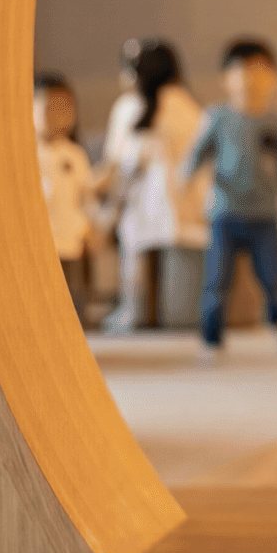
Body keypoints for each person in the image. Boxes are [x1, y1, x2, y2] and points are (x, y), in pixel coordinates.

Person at [186, 37, 277, 357]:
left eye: (260, 72)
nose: (251, 80)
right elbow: (196, 156)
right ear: (226, 79)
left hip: (264, 216)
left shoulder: (274, 122)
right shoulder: (217, 118)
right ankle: (210, 339)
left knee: (273, 276)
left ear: (274, 79)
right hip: (224, 213)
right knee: (216, 280)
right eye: (242, 72)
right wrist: (185, 184)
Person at [98, 38, 206, 333]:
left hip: (143, 206)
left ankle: (134, 309)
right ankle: (165, 310)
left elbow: (120, 165)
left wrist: (109, 205)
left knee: (131, 245)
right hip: (190, 205)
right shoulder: (190, 107)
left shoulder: (129, 107)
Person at [33, 71, 96, 322]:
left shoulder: (74, 154)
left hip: (72, 240)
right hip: (41, 241)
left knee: (71, 297)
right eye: (49, 108)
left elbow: (86, 196)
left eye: (65, 108)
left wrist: (90, 228)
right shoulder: (29, 153)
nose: (58, 116)